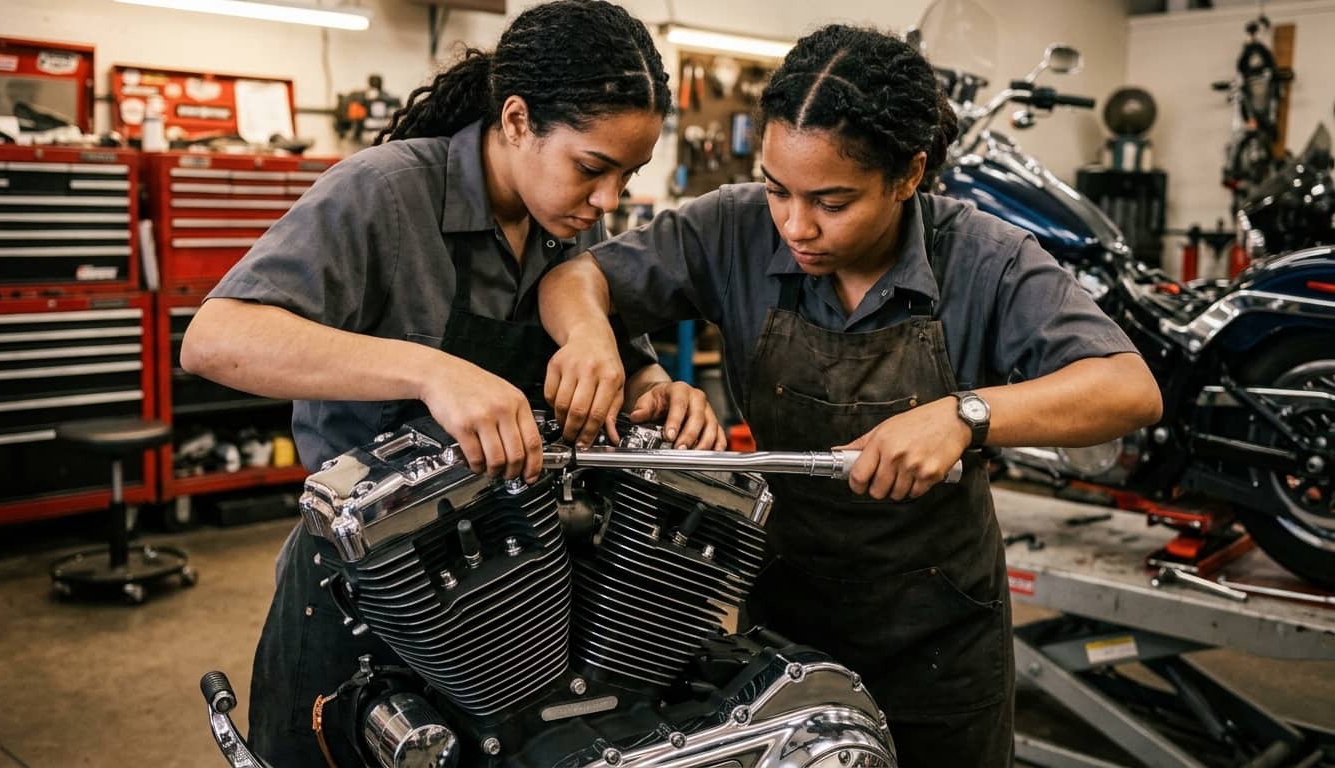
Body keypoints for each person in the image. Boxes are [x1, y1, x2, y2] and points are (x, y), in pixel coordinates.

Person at [538, 24, 1163, 768]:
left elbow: (1129, 388)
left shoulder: (984, 257)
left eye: (832, 201)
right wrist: (594, 344)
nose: (796, 226)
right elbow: (575, 278)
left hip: (938, 637)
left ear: (908, 175)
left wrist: (966, 415)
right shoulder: (733, 226)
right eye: (778, 190)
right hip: (784, 619)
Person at [180, 3, 723, 764]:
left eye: (626, 176)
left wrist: (656, 388)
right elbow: (215, 339)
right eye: (593, 169)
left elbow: (617, 356)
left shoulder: (564, 221)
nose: (610, 201)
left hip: (507, 590)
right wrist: (432, 371)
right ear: (515, 120)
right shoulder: (385, 192)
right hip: (364, 591)